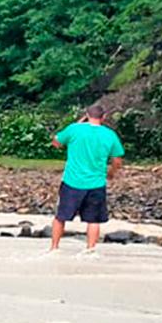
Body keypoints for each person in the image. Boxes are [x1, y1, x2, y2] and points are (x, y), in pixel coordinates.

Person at [49, 104, 124, 251]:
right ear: (104, 117)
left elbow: (56, 142)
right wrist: (111, 173)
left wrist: (77, 124)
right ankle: (90, 249)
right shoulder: (109, 134)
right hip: (96, 183)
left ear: (86, 115)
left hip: (72, 181)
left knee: (61, 216)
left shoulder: (74, 129)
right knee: (93, 219)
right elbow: (117, 160)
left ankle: (54, 247)